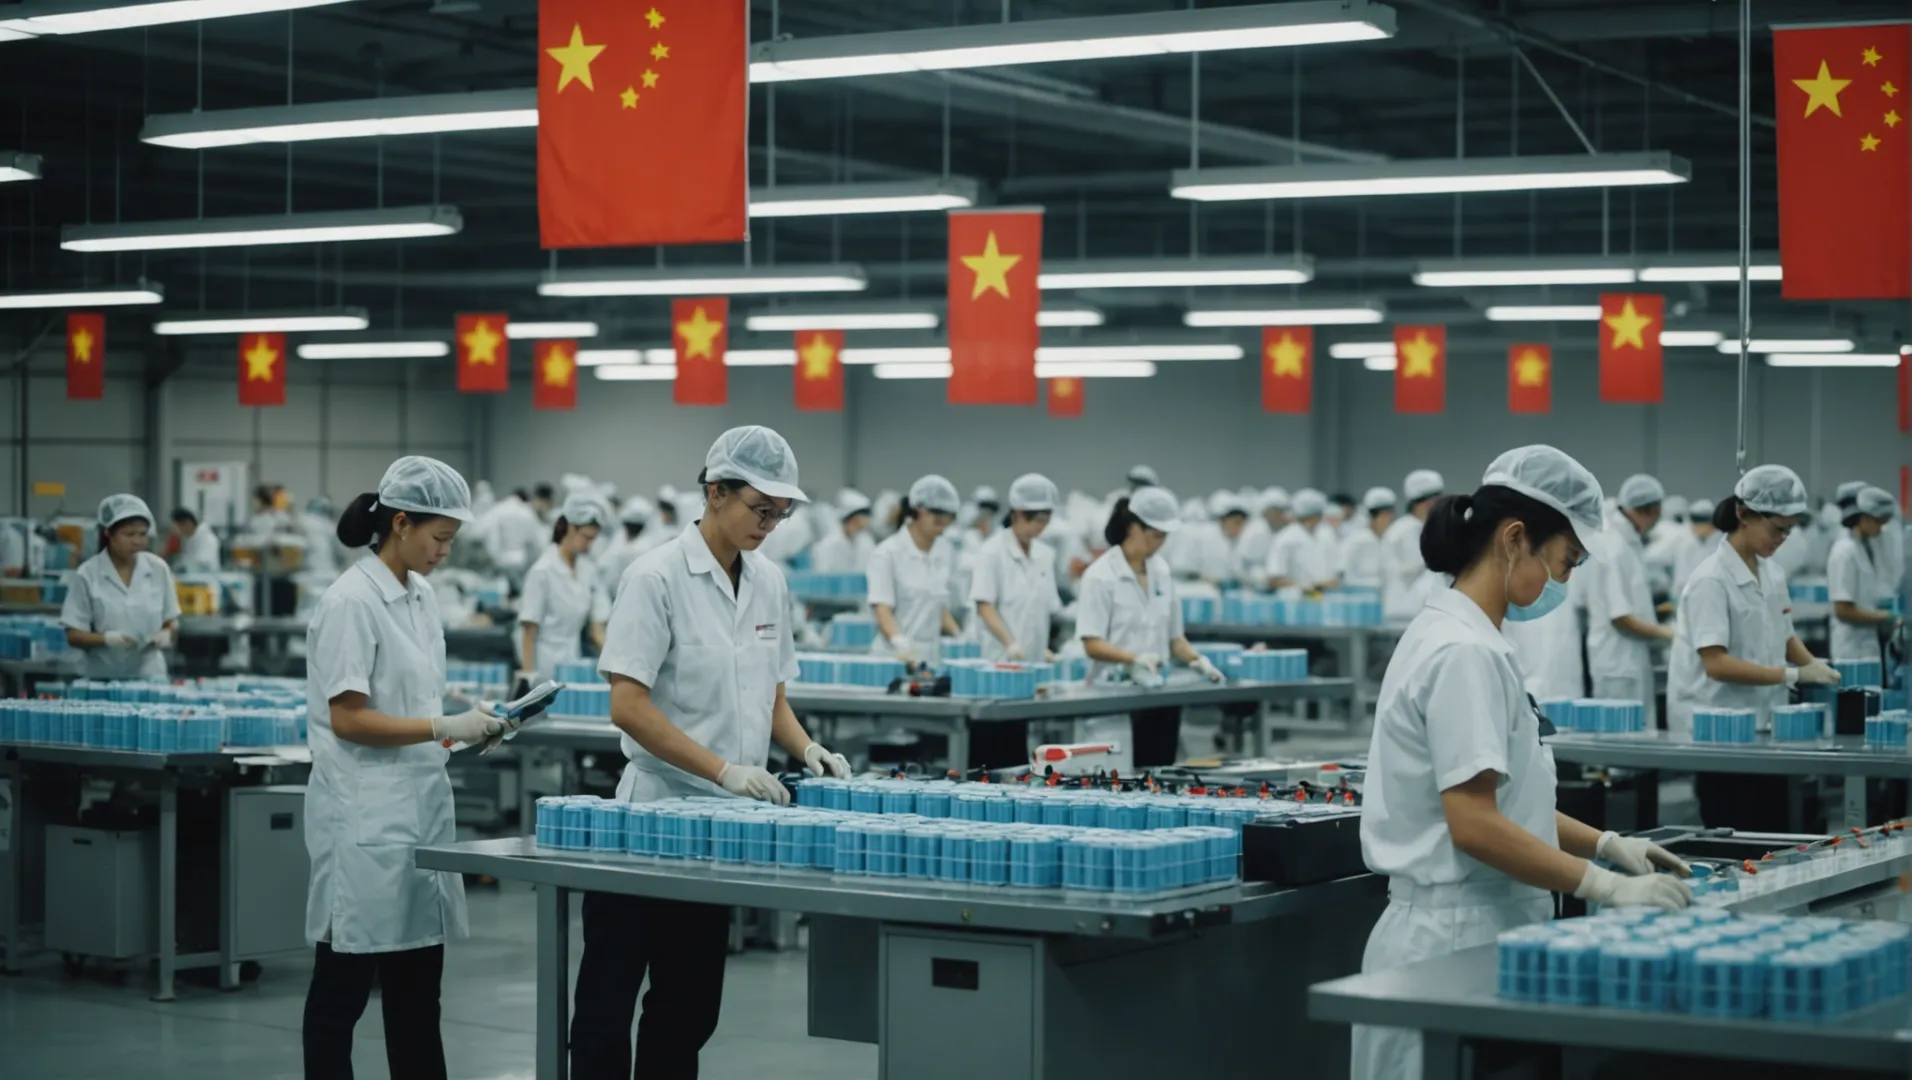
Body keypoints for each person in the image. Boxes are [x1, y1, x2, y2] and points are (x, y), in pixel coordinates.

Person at [1351, 446, 1691, 1080]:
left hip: (1480, 923)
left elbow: (1510, 804)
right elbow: (1476, 826)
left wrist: (1609, 843)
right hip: (1451, 938)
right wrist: (1605, 886)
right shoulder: (1462, 654)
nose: (1562, 584)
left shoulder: (1470, 639)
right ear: (1515, 540)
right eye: (1564, 563)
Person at [570, 426, 851, 1079]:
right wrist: (724, 769)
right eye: (760, 509)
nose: (770, 524)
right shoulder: (655, 577)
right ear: (715, 490)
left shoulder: (769, 581)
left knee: (689, 1008)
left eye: (781, 514)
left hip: (722, 829)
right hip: (649, 822)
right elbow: (628, 706)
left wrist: (808, 749)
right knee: (606, 1008)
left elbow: (770, 695)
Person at [301, 457, 506, 1080]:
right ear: (399, 522)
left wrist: (470, 727)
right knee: (342, 993)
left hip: (418, 811)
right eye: (440, 537)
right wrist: (444, 727)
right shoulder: (350, 602)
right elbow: (350, 718)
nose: (446, 551)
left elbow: (413, 705)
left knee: (419, 995)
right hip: (363, 822)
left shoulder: (421, 596)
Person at [1669, 466, 1840, 831]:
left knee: (1770, 832)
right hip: (1721, 735)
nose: (1782, 538)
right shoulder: (1711, 580)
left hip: (1765, 729)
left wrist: (1819, 668)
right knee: (1734, 835)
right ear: (1744, 515)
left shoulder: (1772, 573)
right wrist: (1793, 674)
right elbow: (1715, 663)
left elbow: (1785, 635)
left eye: (1789, 530)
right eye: (1777, 529)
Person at [1075, 486, 1226, 768]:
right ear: (1133, 527)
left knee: (1157, 778)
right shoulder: (1100, 576)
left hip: (1158, 694)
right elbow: (1091, 643)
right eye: (1156, 535)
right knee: (1116, 785)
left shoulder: (1162, 571)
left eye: (1165, 537)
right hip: (1114, 698)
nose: (1160, 544)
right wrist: (1133, 659)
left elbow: (1174, 638)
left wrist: (1198, 661)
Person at [1583, 474, 1674, 725]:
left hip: (1626, 661)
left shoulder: (1625, 542)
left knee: (1631, 739)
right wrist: (1670, 635)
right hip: (1618, 664)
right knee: (1621, 744)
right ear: (1654, 509)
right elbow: (1620, 617)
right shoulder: (1616, 546)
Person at [62, 496, 180, 681]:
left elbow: (171, 621)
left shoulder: (158, 569)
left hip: (150, 676)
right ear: (109, 533)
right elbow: (73, 635)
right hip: (103, 676)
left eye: (142, 534)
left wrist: (166, 634)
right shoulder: (88, 574)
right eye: (129, 534)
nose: (137, 541)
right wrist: (107, 639)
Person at [867, 474, 962, 666]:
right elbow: (882, 609)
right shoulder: (887, 553)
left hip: (930, 658)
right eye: (938, 522)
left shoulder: (944, 551)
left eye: (946, 523)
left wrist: (959, 636)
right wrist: (900, 643)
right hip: (893, 657)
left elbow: (937, 604)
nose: (941, 530)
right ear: (920, 512)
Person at [519, 494, 611, 685]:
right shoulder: (542, 571)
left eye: (593, 539)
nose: (590, 544)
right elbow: (529, 631)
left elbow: (596, 631)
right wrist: (527, 678)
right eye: (586, 537)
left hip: (572, 665)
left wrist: (616, 666)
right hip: (544, 667)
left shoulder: (588, 570)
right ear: (570, 528)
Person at [1829, 486, 1900, 667]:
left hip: (1868, 644)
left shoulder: (1865, 547)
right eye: (1879, 522)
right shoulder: (1845, 552)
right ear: (1865, 519)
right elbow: (1843, 610)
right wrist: (1885, 616)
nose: (1882, 528)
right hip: (1851, 647)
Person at [1383, 469, 1444, 620]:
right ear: (1429, 503)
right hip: (1407, 607)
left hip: (1409, 607)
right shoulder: (1409, 530)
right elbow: (1415, 568)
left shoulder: (1412, 526)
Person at [1265, 488, 1339, 595]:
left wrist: (1325, 584)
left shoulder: (1326, 535)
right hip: (1293, 601)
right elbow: (1274, 579)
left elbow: (1335, 576)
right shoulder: (1286, 539)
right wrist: (1308, 586)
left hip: (1322, 599)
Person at [1340, 487, 1396, 590]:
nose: (1388, 520)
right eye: (1385, 515)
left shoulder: (1389, 540)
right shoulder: (1357, 540)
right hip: (1359, 597)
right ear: (1374, 517)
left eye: (1390, 515)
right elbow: (1344, 574)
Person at [810, 491, 876, 574]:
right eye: (858, 520)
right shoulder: (828, 545)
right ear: (850, 518)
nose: (865, 522)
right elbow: (823, 577)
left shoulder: (867, 543)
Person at [1237, 487, 1289, 578]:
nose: (1281, 515)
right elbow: (1246, 563)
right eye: (1278, 511)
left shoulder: (1277, 530)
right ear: (1268, 512)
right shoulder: (1256, 531)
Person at [170, 508, 221, 574]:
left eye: (179, 527)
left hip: (206, 581)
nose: (179, 531)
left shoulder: (208, 539)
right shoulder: (189, 539)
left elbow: (203, 566)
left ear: (188, 523)